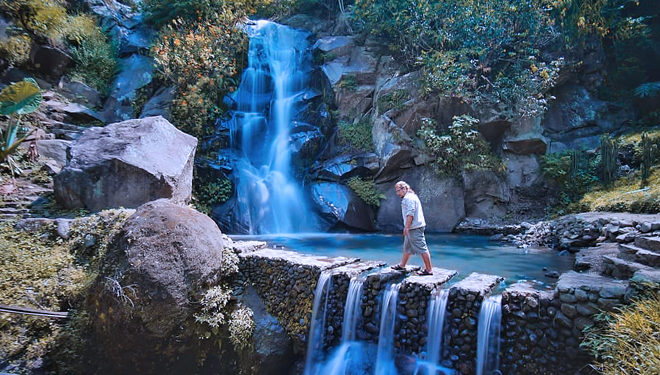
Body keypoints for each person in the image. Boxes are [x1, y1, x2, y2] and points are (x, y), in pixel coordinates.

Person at [391, 181, 434, 276]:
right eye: (396, 191)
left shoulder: (409, 198)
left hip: (414, 227)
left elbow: (410, 213)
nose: (397, 193)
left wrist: (406, 227)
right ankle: (402, 265)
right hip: (413, 226)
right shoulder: (410, 196)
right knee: (407, 247)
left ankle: (429, 270)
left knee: (422, 248)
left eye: (398, 191)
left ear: (404, 188)